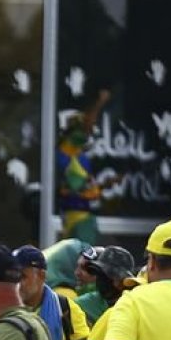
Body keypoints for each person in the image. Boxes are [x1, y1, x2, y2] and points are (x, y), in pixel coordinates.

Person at [56, 90, 112, 244]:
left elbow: (88, 187)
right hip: (71, 215)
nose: (86, 133)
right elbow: (73, 186)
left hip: (84, 214)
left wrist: (105, 185)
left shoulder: (82, 156)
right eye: (80, 130)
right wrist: (99, 103)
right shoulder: (63, 153)